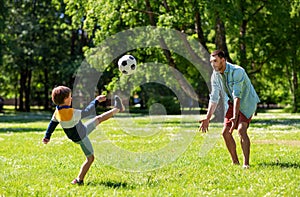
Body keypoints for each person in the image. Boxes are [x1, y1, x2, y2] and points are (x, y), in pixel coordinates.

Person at [42, 86, 125, 185]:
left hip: (82, 130)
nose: (71, 98)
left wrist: (47, 136)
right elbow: (87, 112)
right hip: (81, 137)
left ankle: (117, 109)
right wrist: (96, 100)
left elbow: (52, 124)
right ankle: (79, 180)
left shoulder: (57, 112)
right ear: (65, 99)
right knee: (90, 158)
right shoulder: (70, 113)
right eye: (70, 97)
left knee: (98, 119)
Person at [199, 50, 260, 169]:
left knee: (242, 130)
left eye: (215, 61)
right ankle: (235, 162)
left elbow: (237, 95)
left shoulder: (238, 71)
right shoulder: (215, 75)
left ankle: (246, 164)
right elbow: (214, 98)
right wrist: (207, 118)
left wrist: (235, 117)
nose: (213, 64)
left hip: (246, 101)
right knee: (225, 132)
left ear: (223, 60)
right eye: (211, 62)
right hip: (233, 102)